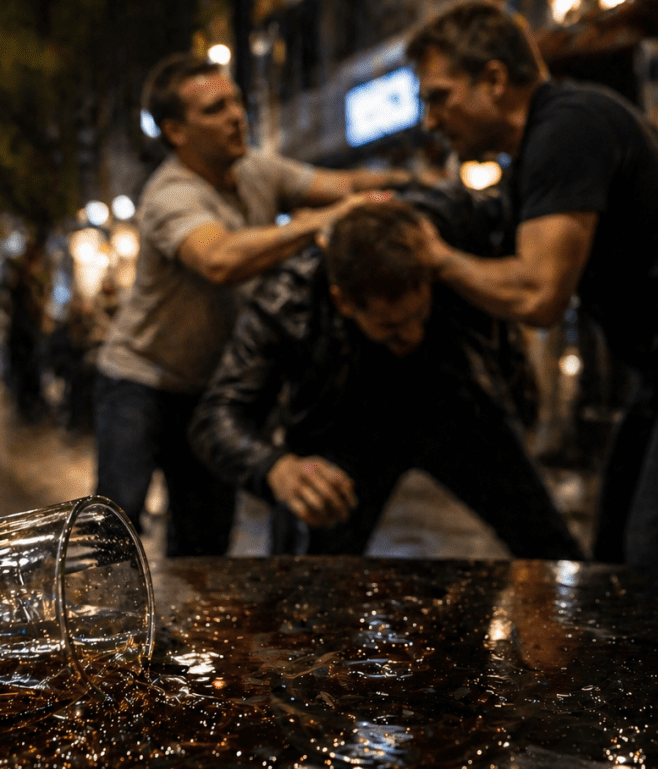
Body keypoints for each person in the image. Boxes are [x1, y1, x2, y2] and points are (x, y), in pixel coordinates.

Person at [405, 0, 658, 570]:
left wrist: (435, 258)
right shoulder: (538, 149)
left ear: (493, 80)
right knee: (617, 553)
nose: (430, 120)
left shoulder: (567, 127)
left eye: (438, 97)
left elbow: (538, 293)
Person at [94, 52, 413, 556]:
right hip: (142, 379)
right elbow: (219, 259)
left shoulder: (257, 170)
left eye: (236, 102)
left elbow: (343, 186)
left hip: (209, 386)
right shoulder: (170, 195)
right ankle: (101, 605)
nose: (236, 116)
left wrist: (410, 185)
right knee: (116, 524)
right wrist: (323, 221)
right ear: (176, 132)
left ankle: (183, 609)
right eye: (215, 109)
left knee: (205, 535)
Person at [189, 194, 584, 560]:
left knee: (550, 549)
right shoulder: (288, 301)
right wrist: (276, 467)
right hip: (343, 429)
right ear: (343, 301)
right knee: (303, 581)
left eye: (419, 316)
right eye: (390, 327)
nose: (411, 335)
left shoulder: (449, 235)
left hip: (455, 406)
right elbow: (217, 415)